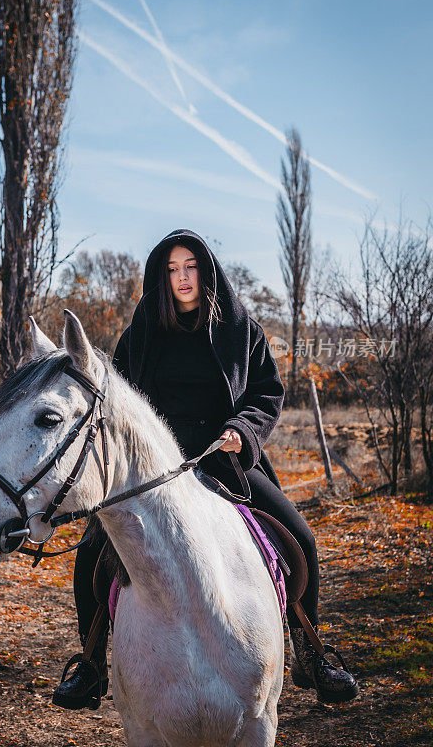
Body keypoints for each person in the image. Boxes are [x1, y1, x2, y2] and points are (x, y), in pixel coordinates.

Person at [52, 229, 359, 710]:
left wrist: (243, 429)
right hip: (153, 470)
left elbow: (267, 393)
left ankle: (311, 651)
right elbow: (118, 403)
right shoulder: (140, 334)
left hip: (225, 458)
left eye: (189, 266)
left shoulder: (243, 330)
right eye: (172, 270)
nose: (182, 277)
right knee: (91, 551)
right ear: (161, 277)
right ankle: (90, 662)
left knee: (301, 540)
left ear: (206, 269)